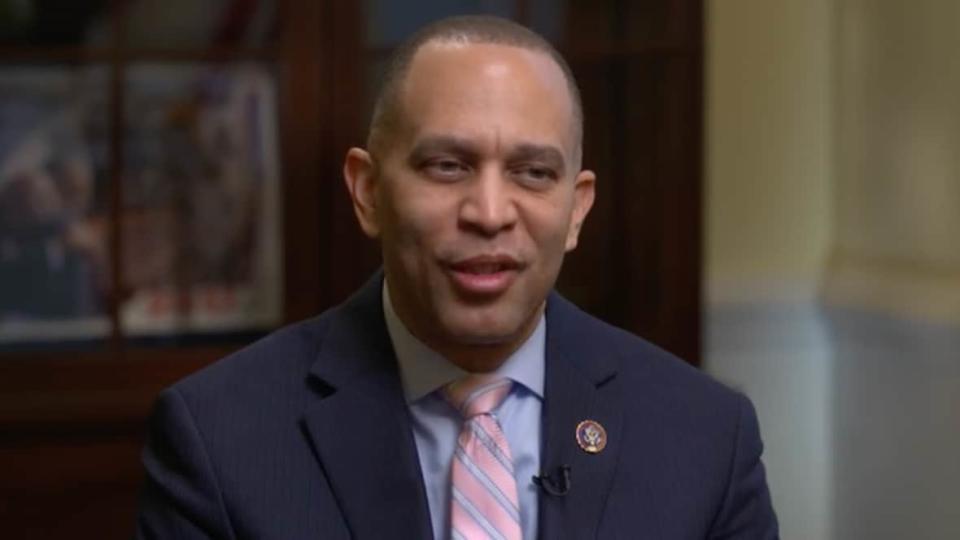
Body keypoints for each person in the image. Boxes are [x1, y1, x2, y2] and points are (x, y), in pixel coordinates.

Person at [135, 15, 778, 540]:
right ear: (368, 193)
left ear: (576, 210)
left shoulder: (705, 437)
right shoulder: (220, 438)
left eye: (532, 173)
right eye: (447, 166)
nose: (490, 214)